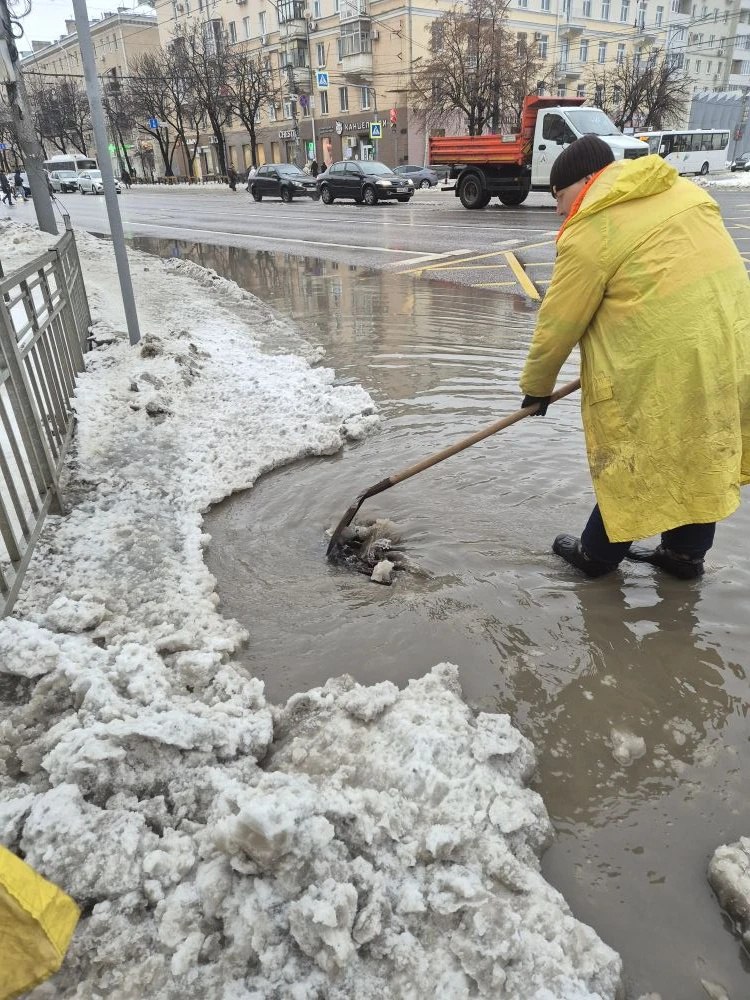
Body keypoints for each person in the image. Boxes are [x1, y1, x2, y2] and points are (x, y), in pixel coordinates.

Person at [519, 134, 750, 580]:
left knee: (632, 451)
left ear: (589, 181)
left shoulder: (594, 227)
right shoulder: (685, 192)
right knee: (698, 447)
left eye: (560, 196)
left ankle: (597, 557)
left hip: (662, 361)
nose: (558, 209)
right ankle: (684, 557)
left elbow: (559, 324)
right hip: (730, 347)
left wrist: (536, 388)